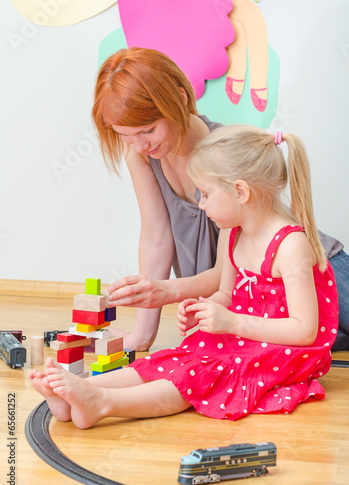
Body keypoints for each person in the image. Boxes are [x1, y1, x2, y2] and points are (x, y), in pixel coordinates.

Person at [29, 125, 338, 429]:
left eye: (204, 194)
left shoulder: (290, 244)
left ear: (241, 192)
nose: (200, 205)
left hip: (282, 347)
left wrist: (232, 323)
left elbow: (305, 331)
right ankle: (77, 391)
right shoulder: (233, 232)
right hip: (243, 333)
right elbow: (228, 295)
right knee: (175, 357)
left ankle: (104, 403)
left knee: (202, 373)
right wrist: (204, 309)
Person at [93, 47, 349, 352]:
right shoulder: (142, 154)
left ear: (181, 99)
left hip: (314, 273)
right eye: (124, 134)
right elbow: (156, 238)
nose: (138, 145)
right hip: (254, 297)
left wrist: (165, 290)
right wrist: (142, 335)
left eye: (148, 129)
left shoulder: (223, 152)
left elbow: (224, 271)